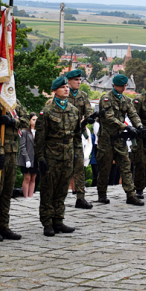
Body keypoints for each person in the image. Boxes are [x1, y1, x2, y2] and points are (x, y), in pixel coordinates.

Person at [35, 77, 81, 236]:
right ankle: (47, 222)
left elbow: (77, 135)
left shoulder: (74, 110)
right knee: (48, 189)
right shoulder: (47, 111)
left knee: (62, 188)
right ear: (55, 91)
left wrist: (76, 153)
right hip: (51, 155)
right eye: (62, 87)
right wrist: (40, 158)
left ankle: (58, 220)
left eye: (67, 87)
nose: (66, 89)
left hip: (67, 154)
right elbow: (40, 137)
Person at [0, 89, 27, 242]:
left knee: (7, 191)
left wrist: (13, 122)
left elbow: (26, 120)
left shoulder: (14, 103)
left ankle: (4, 225)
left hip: (12, 151)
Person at [95, 74, 145, 206]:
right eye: (122, 86)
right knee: (104, 169)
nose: (124, 88)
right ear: (114, 85)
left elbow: (133, 114)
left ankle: (131, 194)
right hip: (106, 140)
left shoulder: (126, 100)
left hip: (120, 140)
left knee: (126, 167)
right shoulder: (106, 99)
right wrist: (126, 127)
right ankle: (102, 194)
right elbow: (109, 118)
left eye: (125, 86)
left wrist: (139, 127)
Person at [65, 70, 94, 209]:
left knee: (79, 167)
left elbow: (88, 109)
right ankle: (60, 196)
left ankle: (80, 197)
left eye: (80, 79)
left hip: (78, 136)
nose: (79, 82)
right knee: (64, 168)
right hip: (65, 136)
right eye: (76, 79)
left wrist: (88, 118)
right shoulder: (64, 94)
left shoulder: (83, 95)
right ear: (69, 81)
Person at [18, 112, 38, 198]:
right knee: (27, 178)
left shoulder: (38, 132)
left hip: (35, 158)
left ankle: (31, 196)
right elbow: (22, 146)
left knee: (33, 178)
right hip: (27, 158)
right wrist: (26, 159)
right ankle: (25, 196)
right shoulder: (24, 132)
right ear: (29, 121)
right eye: (33, 119)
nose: (35, 121)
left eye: (36, 120)